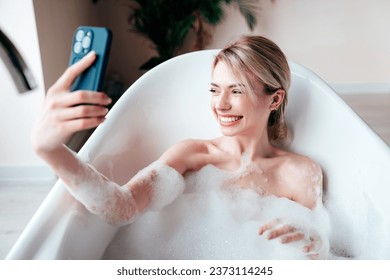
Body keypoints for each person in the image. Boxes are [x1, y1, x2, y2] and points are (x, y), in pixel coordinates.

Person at [31, 35, 328, 259]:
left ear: (274, 100)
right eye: (215, 90)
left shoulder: (299, 173)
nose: (221, 104)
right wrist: (50, 150)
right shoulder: (192, 156)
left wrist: (314, 242)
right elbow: (122, 208)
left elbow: (325, 248)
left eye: (236, 91)